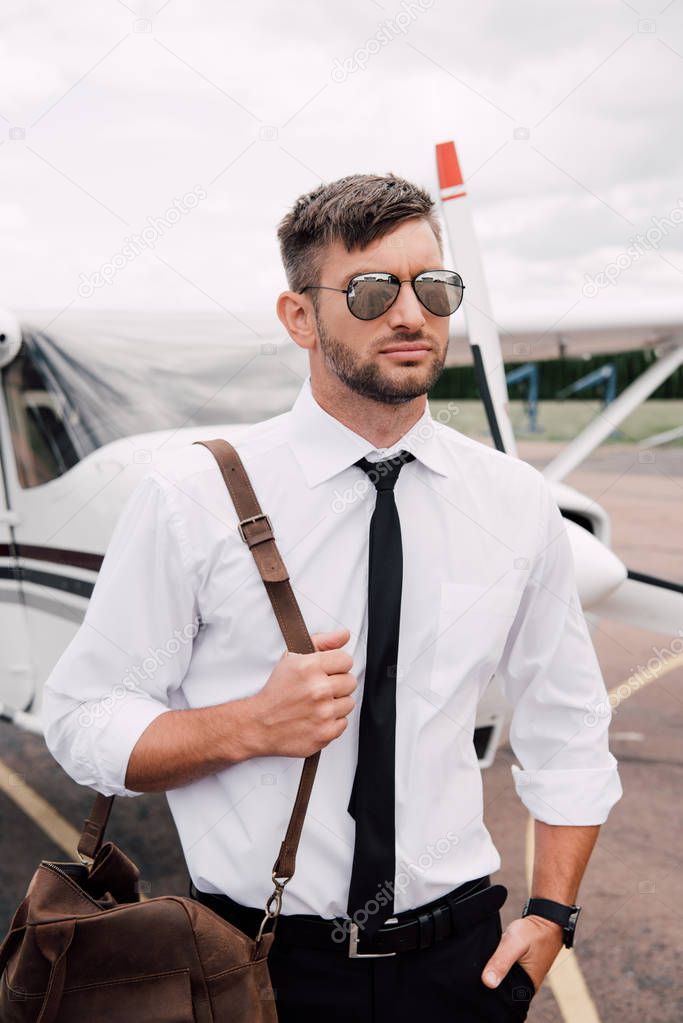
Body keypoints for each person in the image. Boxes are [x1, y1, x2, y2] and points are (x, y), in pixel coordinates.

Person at [42, 172, 623, 1022]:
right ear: (299, 317)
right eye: (371, 288)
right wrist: (248, 725)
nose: (410, 312)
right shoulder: (188, 495)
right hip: (261, 960)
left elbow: (567, 723)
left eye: (432, 286)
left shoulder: (512, 500)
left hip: (463, 959)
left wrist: (550, 914)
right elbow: (81, 718)